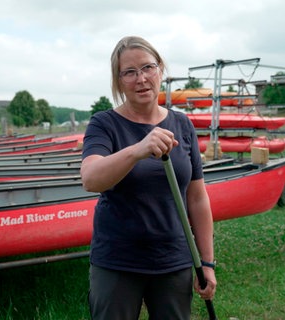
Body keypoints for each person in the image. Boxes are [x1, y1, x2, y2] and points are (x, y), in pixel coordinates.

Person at [80, 35, 217, 320]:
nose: (141, 78)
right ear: (118, 81)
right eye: (129, 72)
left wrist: (207, 262)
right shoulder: (104, 124)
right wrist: (137, 151)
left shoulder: (182, 124)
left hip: (174, 259)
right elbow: (91, 179)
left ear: (160, 70)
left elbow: (197, 197)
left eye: (147, 68)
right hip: (117, 261)